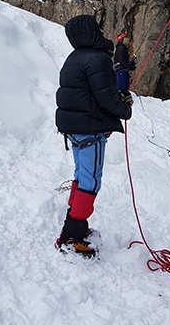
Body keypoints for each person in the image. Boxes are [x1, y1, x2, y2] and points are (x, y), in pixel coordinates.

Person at [55, 15, 133, 256]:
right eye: (97, 27)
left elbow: (87, 93)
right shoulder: (97, 59)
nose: (101, 29)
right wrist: (124, 109)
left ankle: (75, 223)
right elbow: (105, 97)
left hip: (75, 128)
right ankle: (72, 235)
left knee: (81, 175)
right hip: (90, 129)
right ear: (91, 32)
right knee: (90, 182)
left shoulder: (74, 58)